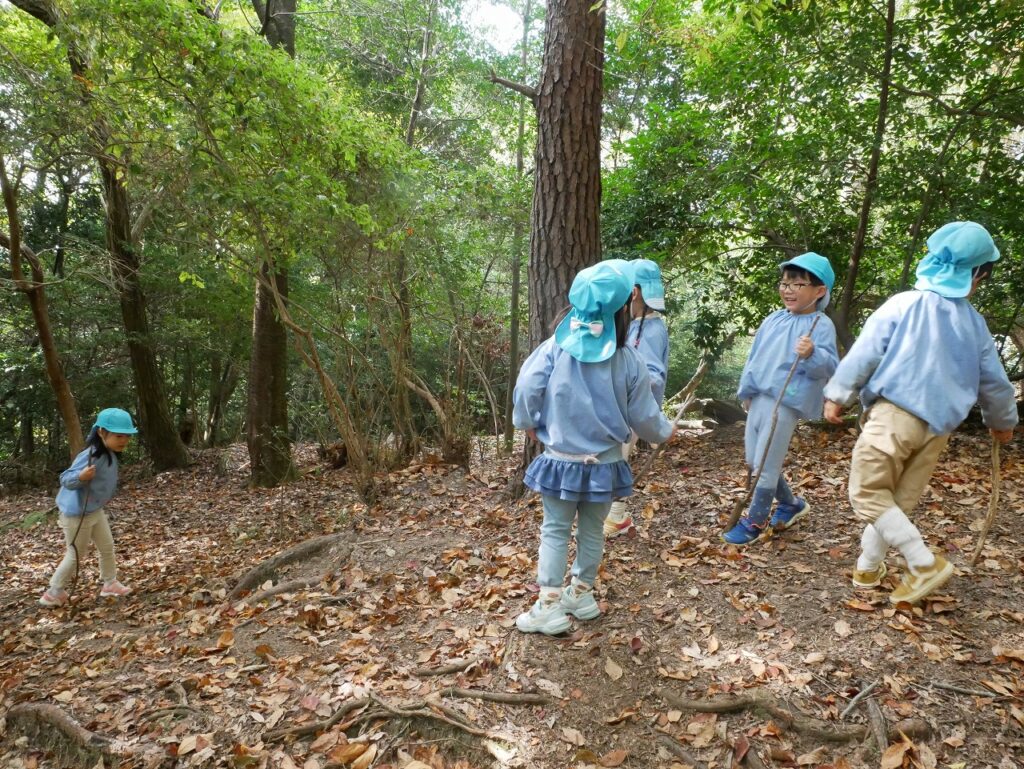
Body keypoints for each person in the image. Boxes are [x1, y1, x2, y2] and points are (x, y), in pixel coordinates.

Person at [823, 222, 1017, 604]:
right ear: (977, 276)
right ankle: (868, 566)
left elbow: (865, 352)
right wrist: (1002, 422)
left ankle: (923, 563)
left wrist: (838, 394)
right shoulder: (975, 324)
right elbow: (994, 381)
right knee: (894, 502)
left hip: (894, 417)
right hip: (938, 429)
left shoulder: (903, 304)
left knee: (868, 494)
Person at [512, 261, 675, 635]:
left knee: (555, 530)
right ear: (622, 308)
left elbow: (526, 388)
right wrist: (665, 431)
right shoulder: (628, 359)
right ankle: (581, 595)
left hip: (561, 461)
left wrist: (528, 422)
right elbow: (644, 414)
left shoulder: (554, 349)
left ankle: (548, 606)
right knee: (592, 531)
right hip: (606, 464)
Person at [722, 252, 839, 545]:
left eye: (798, 284)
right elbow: (755, 357)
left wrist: (812, 353)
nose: (788, 290)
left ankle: (756, 520)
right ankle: (791, 504)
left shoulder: (820, 324)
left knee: (765, 464)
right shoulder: (774, 319)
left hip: (786, 403)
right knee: (754, 460)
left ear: (819, 291)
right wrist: (746, 391)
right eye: (785, 283)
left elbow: (830, 367)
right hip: (760, 397)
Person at [39, 408, 138, 607]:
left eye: (127, 436)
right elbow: (65, 478)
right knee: (75, 554)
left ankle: (110, 583)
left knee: (107, 546)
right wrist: (81, 476)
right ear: (101, 432)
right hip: (77, 514)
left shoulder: (109, 453)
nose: (124, 440)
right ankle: (53, 592)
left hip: (94, 510)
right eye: (119, 436)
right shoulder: (91, 455)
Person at [605, 258, 670, 539]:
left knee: (618, 459)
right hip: (619, 408)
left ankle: (615, 516)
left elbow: (653, 376)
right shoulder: (633, 324)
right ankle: (610, 514)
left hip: (631, 410)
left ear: (635, 292)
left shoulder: (653, 329)